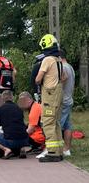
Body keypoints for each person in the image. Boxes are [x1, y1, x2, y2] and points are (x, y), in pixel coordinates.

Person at [35, 34, 65, 162]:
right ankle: (59, 151)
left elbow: (38, 78)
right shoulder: (58, 60)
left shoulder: (47, 60)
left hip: (50, 94)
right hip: (58, 92)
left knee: (48, 122)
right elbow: (64, 77)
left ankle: (52, 153)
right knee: (56, 122)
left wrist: (40, 82)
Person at [0, 90, 29, 159]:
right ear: (12, 97)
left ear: (3, 99)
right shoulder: (19, 108)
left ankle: (6, 150)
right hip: (25, 140)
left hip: (11, 141)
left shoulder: (0, 108)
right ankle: (22, 149)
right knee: (16, 133)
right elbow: (24, 123)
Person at [59, 49, 75, 157]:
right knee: (67, 125)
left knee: (57, 125)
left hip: (63, 101)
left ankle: (56, 149)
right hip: (69, 99)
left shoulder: (63, 68)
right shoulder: (70, 67)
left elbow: (61, 83)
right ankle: (67, 149)